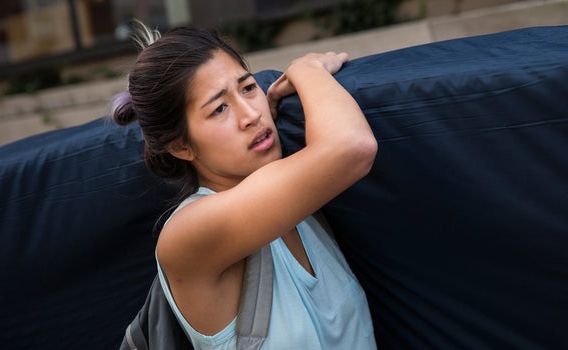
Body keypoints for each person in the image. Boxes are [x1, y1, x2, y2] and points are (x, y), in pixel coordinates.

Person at [111, 21, 378, 349]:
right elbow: (353, 147)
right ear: (181, 146)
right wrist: (307, 68)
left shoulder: (304, 203)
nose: (251, 114)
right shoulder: (187, 233)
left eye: (249, 87)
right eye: (220, 108)